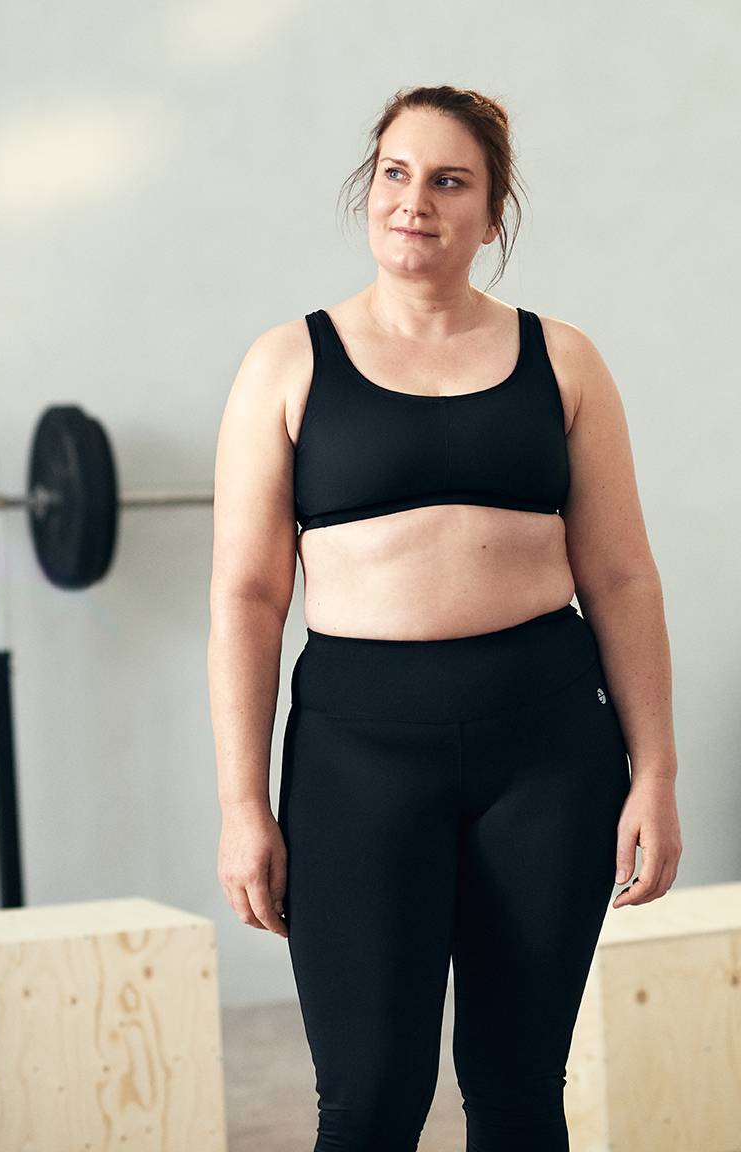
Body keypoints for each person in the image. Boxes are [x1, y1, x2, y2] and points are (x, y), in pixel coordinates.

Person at [208, 84, 683, 1152]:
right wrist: (243, 804)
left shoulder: (563, 360)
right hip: (356, 760)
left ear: (492, 214)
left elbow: (621, 578)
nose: (413, 200)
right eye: (395, 173)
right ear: (369, 189)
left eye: (449, 180)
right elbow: (246, 596)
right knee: (370, 1099)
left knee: (519, 1094)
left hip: (548, 754)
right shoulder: (287, 363)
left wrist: (654, 769)